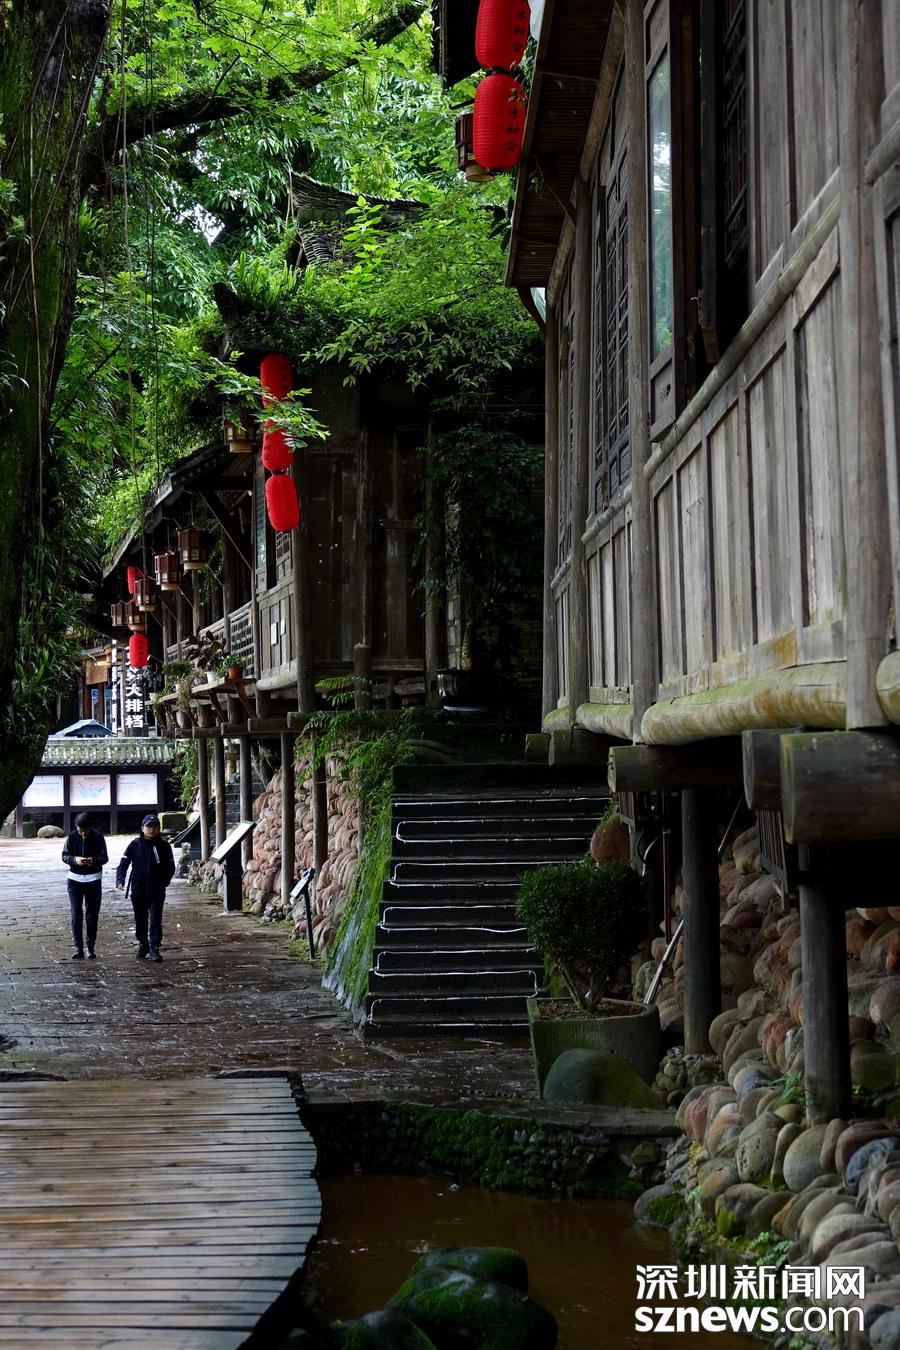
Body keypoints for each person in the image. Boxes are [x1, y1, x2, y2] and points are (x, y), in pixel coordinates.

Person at [115, 814, 176, 962]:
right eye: (149, 826)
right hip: (138, 890)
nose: (152, 829)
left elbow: (170, 867)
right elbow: (123, 865)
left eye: (155, 826)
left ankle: (155, 947)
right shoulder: (134, 845)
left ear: (159, 828)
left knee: (155, 919)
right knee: (140, 919)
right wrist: (120, 880)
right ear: (142, 828)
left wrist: (164, 882)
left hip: (157, 891)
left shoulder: (164, 846)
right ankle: (143, 943)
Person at [62, 812, 109, 960]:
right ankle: (78, 947)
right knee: (76, 915)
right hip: (74, 879)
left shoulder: (98, 837)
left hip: (93, 879)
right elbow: (64, 856)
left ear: (90, 828)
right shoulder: (72, 836)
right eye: (80, 830)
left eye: (85, 830)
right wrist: (75, 860)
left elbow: (104, 857)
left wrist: (92, 860)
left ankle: (90, 946)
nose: (82, 833)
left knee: (92, 916)